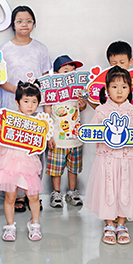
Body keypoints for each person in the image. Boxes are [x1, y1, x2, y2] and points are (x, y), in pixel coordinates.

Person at [0, 5, 50, 212]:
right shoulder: (4, 49)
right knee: (13, 153)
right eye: (19, 21)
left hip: (36, 109)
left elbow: (46, 79)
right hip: (12, 107)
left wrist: (42, 106)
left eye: (28, 21)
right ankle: (15, 194)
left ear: (33, 24)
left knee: (35, 151)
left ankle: (32, 193)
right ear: (13, 24)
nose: (24, 24)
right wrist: (20, 92)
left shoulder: (41, 49)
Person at [85, 66, 133, 245]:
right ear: (107, 89)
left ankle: (121, 224)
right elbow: (92, 133)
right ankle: (109, 224)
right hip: (107, 159)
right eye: (114, 87)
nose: (119, 91)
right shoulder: (101, 111)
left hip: (128, 159)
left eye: (124, 87)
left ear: (130, 89)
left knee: (125, 190)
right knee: (108, 190)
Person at [0, 81, 45, 242]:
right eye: (26, 101)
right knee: (10, 197)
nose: (30, 105)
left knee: (33, 196)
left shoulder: (39, 124)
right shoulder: (7, 118)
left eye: (34, 102)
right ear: (17, 102)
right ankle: (10, 226)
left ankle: (35, 223)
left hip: (28, 162)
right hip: (9, 161)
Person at [46, 55, 87, 208]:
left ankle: (72, 191)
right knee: (56, 170)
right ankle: (56, 193)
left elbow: (82, 107)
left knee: (73, 168)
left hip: (75, 137)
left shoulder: (78, 90)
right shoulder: (51, 92)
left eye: (73, 71)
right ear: (56, 74)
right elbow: (47, 114)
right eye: (65, 71)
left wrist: (82, 105)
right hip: (57, 139)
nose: (70, 74)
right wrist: (49, 136)